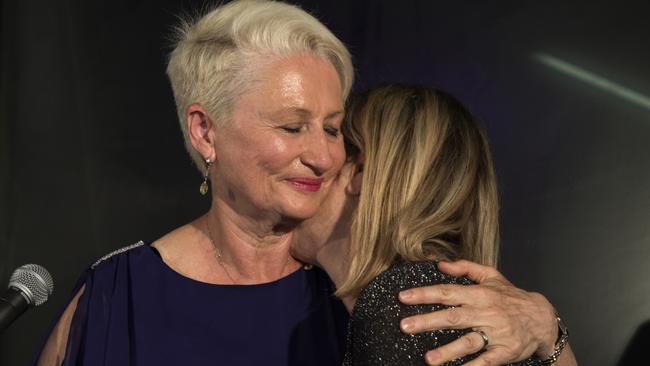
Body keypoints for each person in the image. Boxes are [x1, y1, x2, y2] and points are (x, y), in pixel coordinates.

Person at [33, 1, 573, 365]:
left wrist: (547, 329)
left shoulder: (380, 290)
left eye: (335, 128)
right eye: (292, 127)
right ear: (205, 131)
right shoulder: (111, 296)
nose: (323, 155)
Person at [291, 84, 577, 365]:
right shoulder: (421, 297)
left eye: (331, 136)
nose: (312, 160)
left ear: (361, 172)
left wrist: (549, 329)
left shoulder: (403, 308)